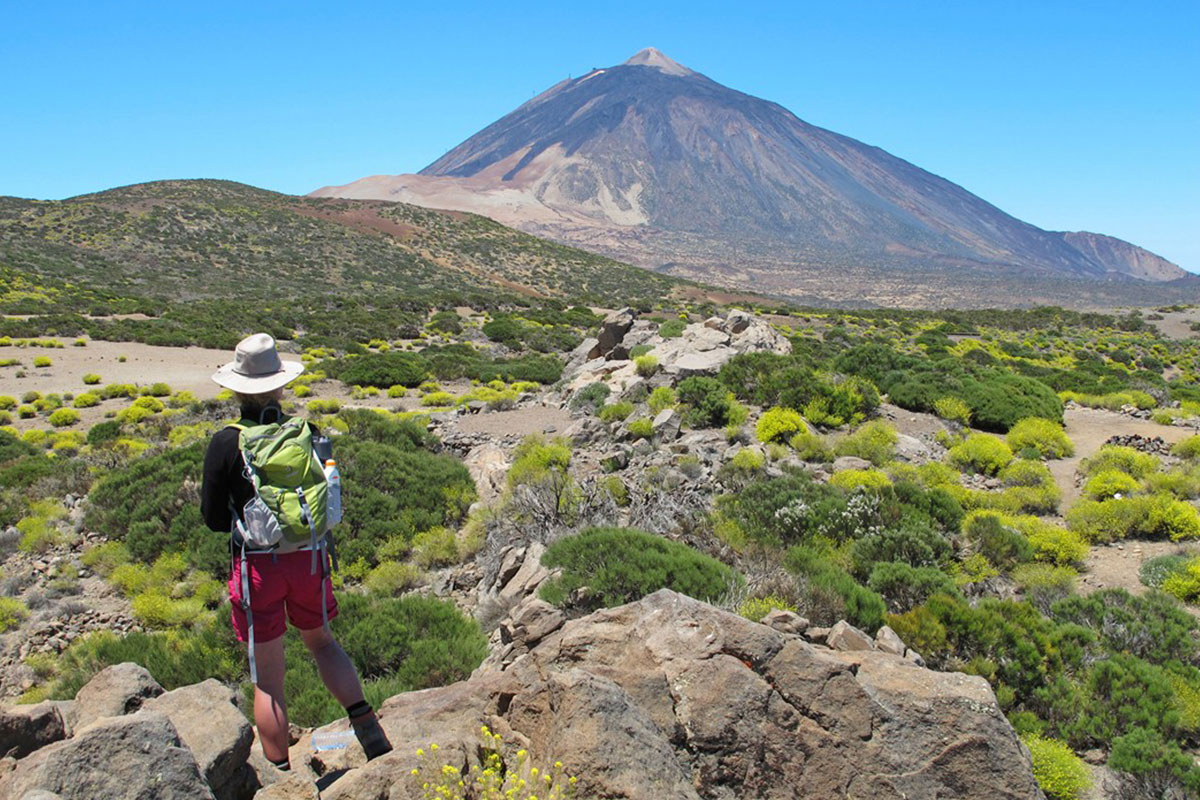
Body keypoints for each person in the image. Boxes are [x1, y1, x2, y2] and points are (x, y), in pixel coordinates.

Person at [201, 333, 391, 770]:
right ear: (280, 385)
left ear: (236, 388)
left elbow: (213, 518)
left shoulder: (226, 443)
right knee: (323, 643)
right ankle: (367, 729)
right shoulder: (308, 432)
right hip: (309, 559)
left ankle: (281, 772)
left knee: (269, 678)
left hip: (258, 569)